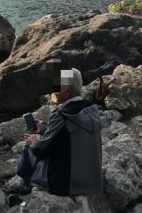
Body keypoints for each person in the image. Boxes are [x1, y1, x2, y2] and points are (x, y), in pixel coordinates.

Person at [18, 68, 103, 196]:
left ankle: (25, 185)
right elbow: (68, 134)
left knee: (30, 149)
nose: (53, 89)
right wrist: (44, 128)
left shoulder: (62, 115)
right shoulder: (91, 110)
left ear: (67, 91)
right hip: (92, 179)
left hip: (69, 184)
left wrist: (33, 141)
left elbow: (40, 150)